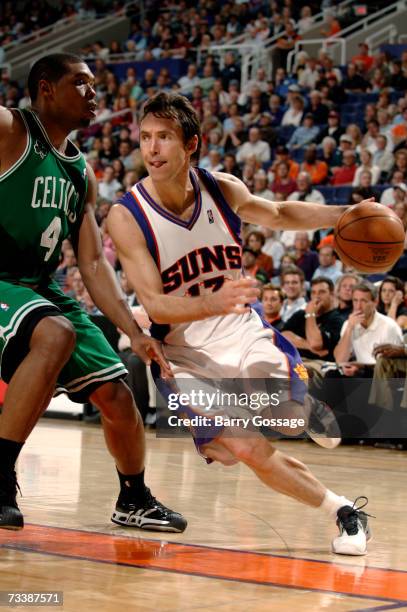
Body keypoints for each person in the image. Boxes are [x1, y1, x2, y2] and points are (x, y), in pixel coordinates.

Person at [108, 92, 375, 555]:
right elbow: (154, 302)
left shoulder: (221, 187)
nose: (151, 149)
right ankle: (344, 512)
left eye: (165, 138)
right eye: (146, 137)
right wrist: (212, 299)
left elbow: (278, 213)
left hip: (239, 330)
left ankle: (304, 404)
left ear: (191, 143)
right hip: (181, 353)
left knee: (281, 414)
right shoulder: (126, 216)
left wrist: (343, 215)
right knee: (246, 449)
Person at [0, 54, 186, 533]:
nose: (94, 93)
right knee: (55, 333)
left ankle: (134, 498)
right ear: (45, 88)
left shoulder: (81, 172)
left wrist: (135, 331)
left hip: (40, 288)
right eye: (80, 83)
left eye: (94, 84)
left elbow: (93, 264)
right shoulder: (9, 130)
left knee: (118, 395)